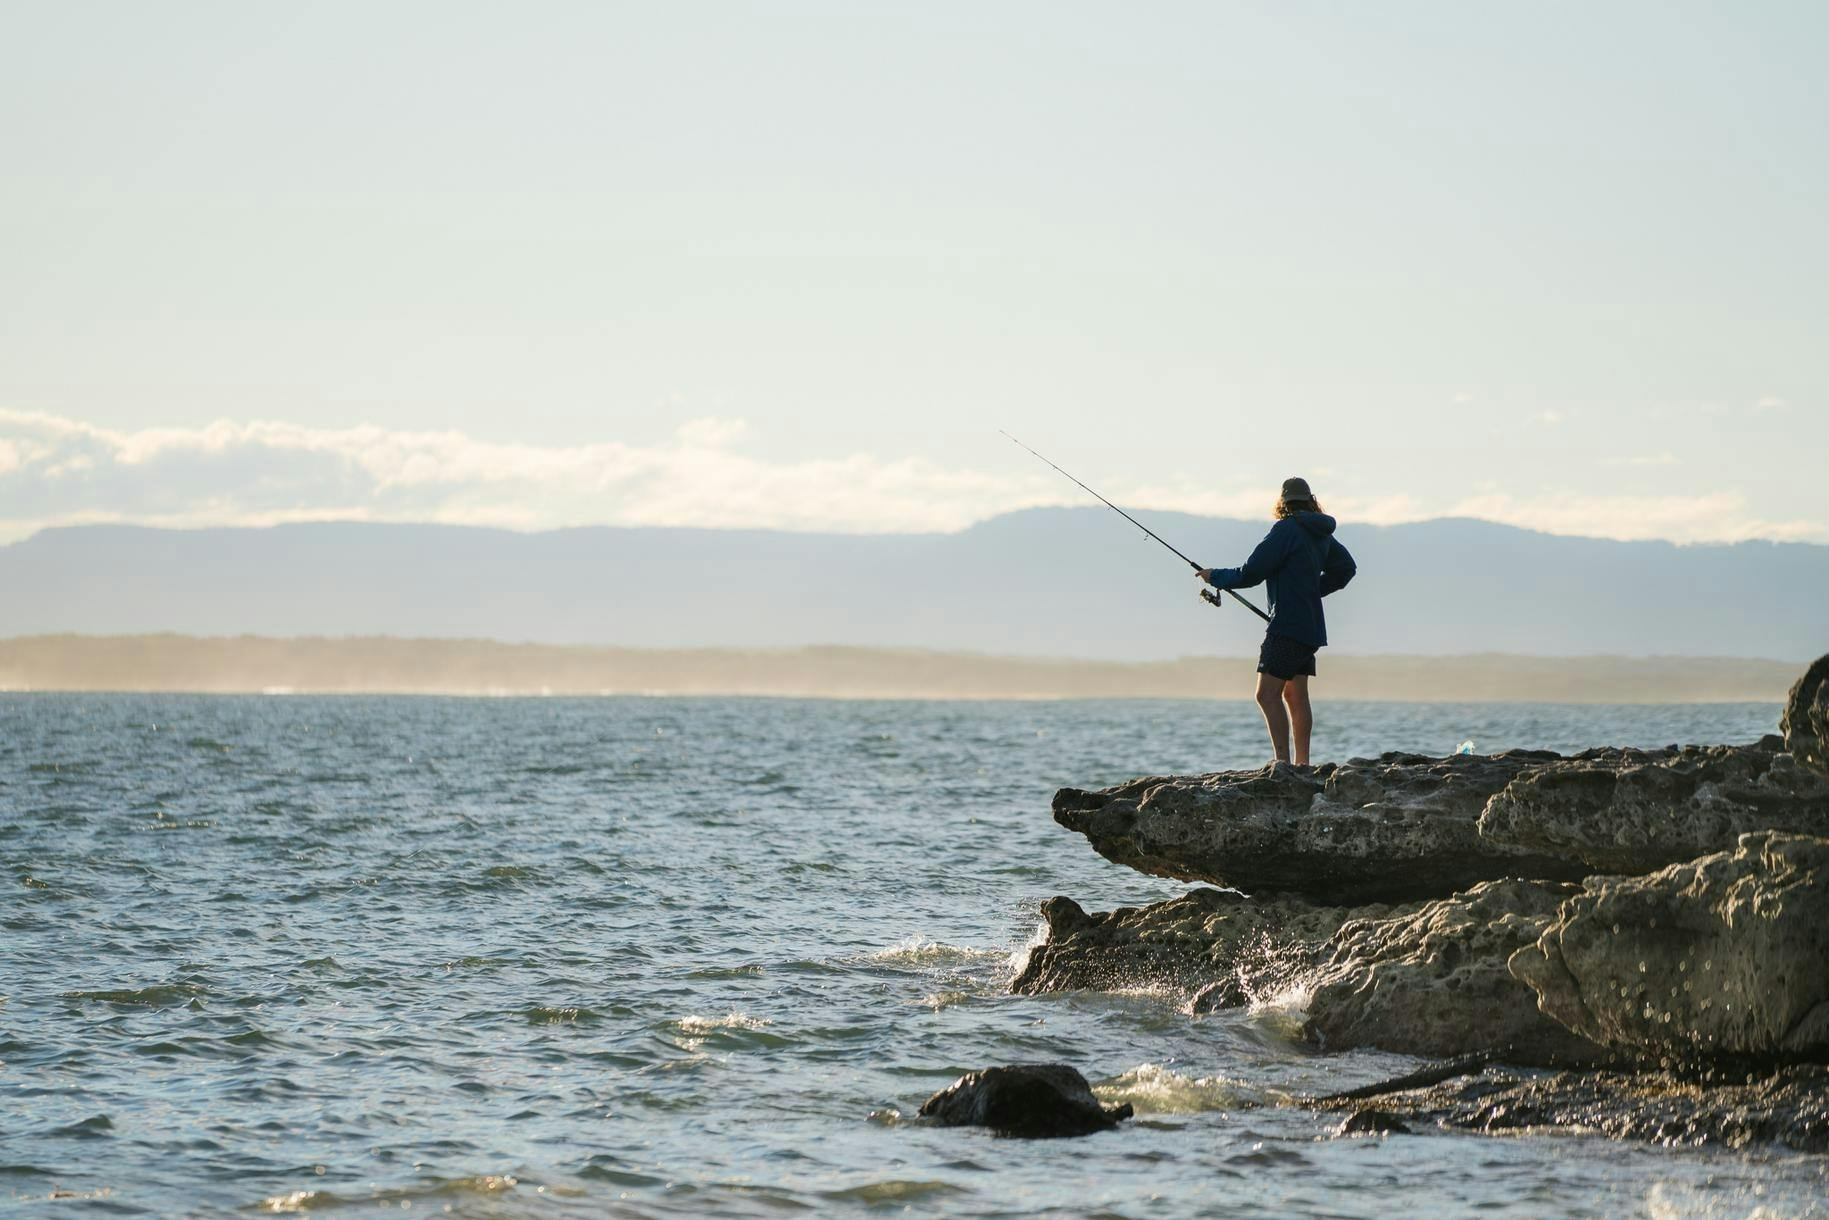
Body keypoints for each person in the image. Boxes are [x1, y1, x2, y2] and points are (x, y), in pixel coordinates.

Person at [1197, 478, 1355, 766]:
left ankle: (1282, 764)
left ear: (1282, 503)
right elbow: (1346, 569)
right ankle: (1302, 764)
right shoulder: (1321, 535)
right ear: (1311, 500)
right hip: (1310, 628)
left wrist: (1215, 576)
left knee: (1266, 694)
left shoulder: (1286, 530)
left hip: (1287, 627)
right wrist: (1311, 592)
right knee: (1296, 694)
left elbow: (1251, 573)